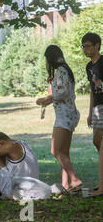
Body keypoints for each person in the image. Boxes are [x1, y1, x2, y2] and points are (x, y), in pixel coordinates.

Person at [36, 45, 82, 192]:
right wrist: (46, 101)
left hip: (64, 117)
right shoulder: (65, 70)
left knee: (55, 151)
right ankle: (65, 185)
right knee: (64, 153)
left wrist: (47, 97)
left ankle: (75, 180)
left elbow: (63, 93)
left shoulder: (61, 71)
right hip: (70, 114)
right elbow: (62, 96)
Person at [81, 32, 103, 196]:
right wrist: (89, 112)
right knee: (97, 142)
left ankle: (101, 188)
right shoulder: (89, 67)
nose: (85, 49)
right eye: (83, 46)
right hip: (96, 108)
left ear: (97, 45)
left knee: (101, 142)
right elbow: (91, 91)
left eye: (87, 46)